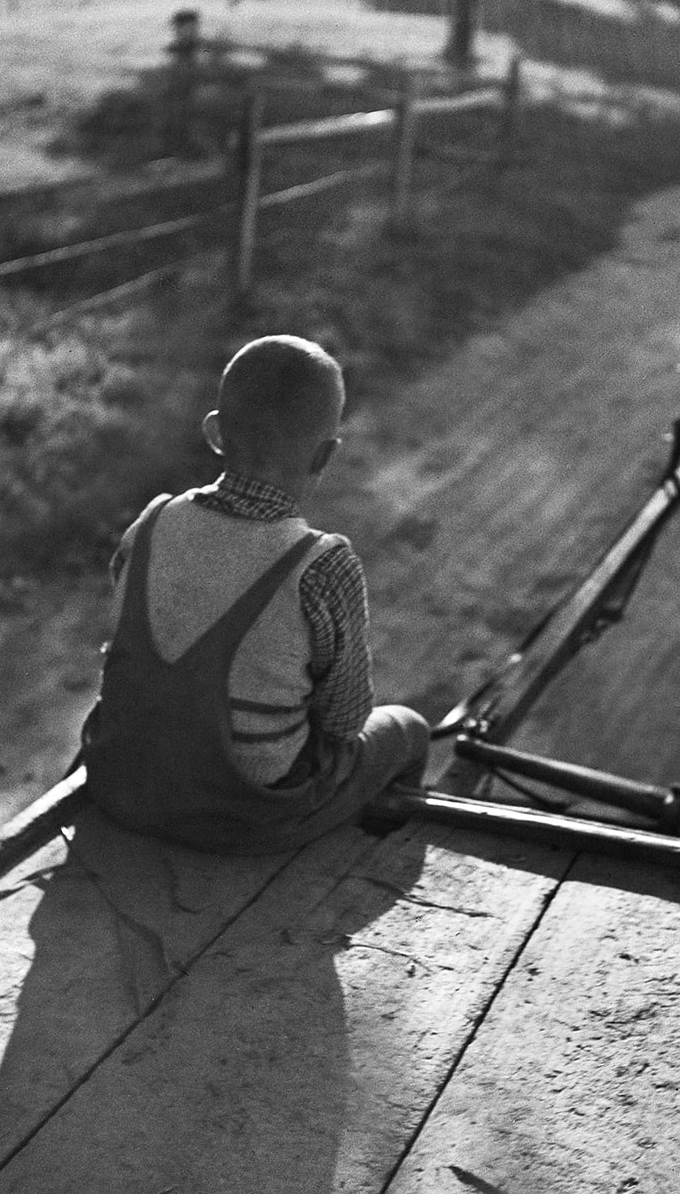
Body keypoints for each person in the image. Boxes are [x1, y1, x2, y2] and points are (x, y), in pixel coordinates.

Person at [83, 335, 430, 852]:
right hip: (243, 819)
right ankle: (359, 857)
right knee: (409, 729)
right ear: (324, 456)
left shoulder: (151, 524)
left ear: (216, 433)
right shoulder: (323, 565)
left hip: (123, 788)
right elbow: (344, 720)